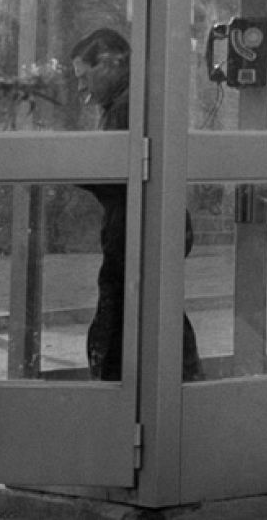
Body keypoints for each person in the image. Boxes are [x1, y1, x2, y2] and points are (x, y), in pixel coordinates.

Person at [72, 28, 204, 382]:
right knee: (154, 311)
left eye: (84, 77)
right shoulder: (131, 100)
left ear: (109, 65)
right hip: (144, 224)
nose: (81, 88)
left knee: (120, 319)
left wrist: (73, 166)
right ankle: (182, 381)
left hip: (137, 227)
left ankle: (125, 391)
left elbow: (120, 175)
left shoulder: (127, 106)